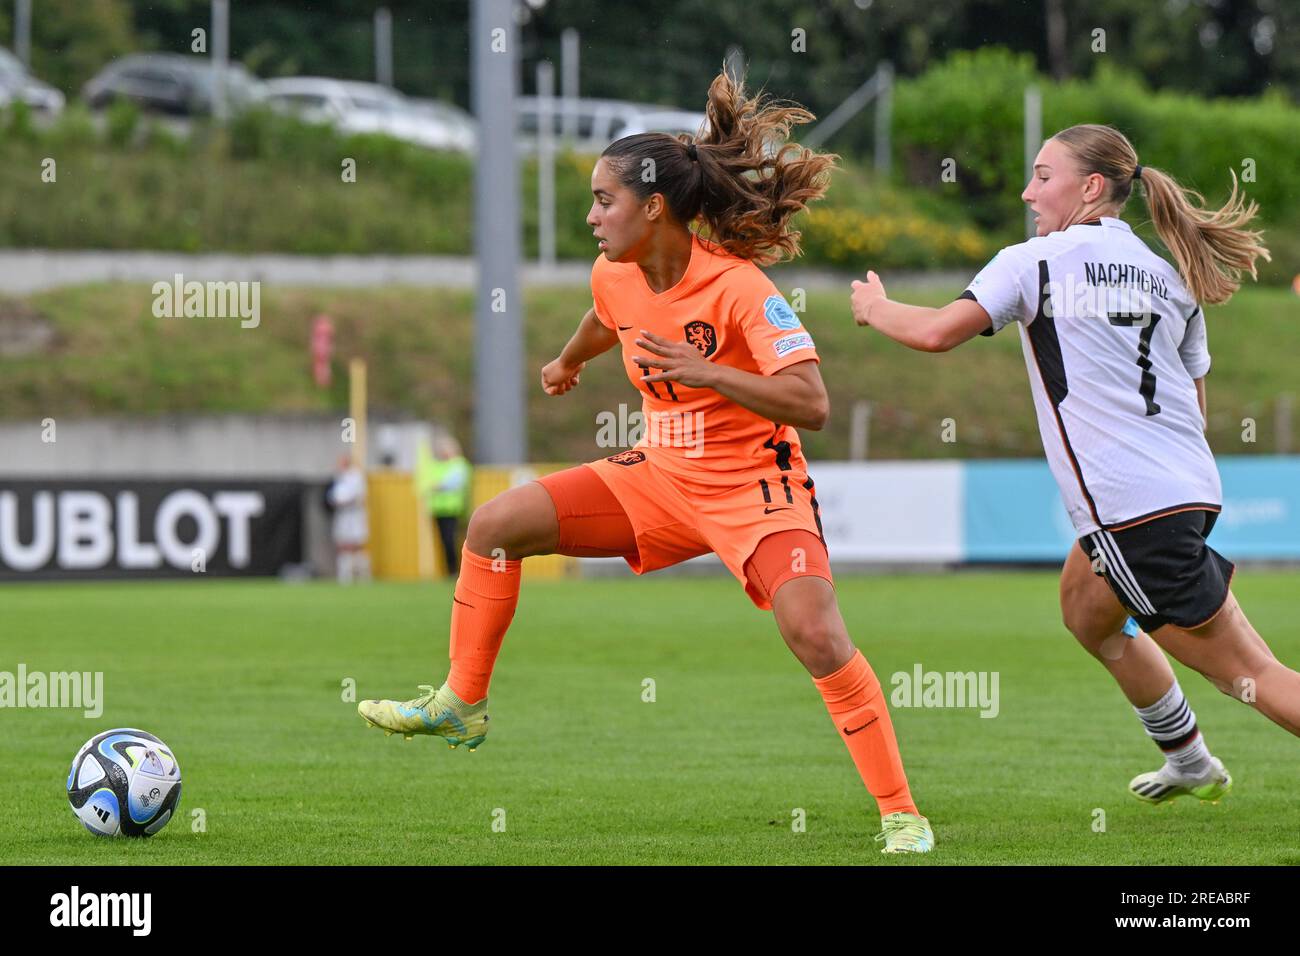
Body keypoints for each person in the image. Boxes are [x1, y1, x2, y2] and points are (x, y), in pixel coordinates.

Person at [359, 69, 934, 853]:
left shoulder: (738, 288)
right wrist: (567, 363)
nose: (591, 215)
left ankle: (901, 812)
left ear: (653, 206)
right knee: (495, 525)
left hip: (754, 488)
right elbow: (607, 319)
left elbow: (812, 404)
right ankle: (462, 700)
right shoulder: (616, 272)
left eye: (604, 199)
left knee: (815, 633)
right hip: (659, 476)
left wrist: (709, 374)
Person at [849, 123, 1298, 804]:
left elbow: (939, 332)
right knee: (1086, 609)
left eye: (1043, 175)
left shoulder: (1033, 260)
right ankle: (1189, 759)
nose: (1030, 192)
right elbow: (1194, 408)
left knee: (1253, 676)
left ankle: (1195, 758)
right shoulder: (1167, 274)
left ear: (1090, 188)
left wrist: (875, 308)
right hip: (1187, 492)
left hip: (1133, 514)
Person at [418, 436, 472, 577]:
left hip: (453, 510)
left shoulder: (459, 464)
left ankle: (456, 571)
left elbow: (451, 483)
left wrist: (436, 485)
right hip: (439, 509)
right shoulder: (441, 465)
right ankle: (450, 571)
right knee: (444, 542)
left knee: (452, 541)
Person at [327, 454, 370, 584]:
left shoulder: (356, 477)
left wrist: (346, 501)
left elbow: (358, 497)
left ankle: (363, 575)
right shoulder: (339, 478)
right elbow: (332, 496)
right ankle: (345, 576)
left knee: (357, 545)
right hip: (342, 515)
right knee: (342, 544)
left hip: (354, 515)